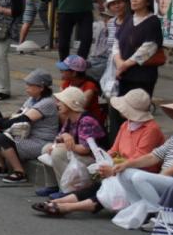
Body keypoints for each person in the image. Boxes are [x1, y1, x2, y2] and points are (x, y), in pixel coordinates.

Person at [33, 88, 164, 218]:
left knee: (103, 193)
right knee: (96, 187)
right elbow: (114, 150)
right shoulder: (126, 125)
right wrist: (106, 162)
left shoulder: (151, 129)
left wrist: (113, 168)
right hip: (121, 167)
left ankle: (67, 207)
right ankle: (59, 201)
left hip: (137, 173)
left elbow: (141, 160)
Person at [113, 94, 173, 230]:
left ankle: (157, 212)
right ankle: (138, 208)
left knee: (139, 177)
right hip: (165, 178)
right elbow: (153, 157)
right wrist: (126, 164)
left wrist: (155, 179)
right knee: (124, 173)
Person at [0, 68, 59, 183]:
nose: (26, 87)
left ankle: (20, 172)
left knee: (1, 139)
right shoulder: (32, 99)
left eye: (30, 85)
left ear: (41, 87)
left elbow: (25, 118)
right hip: (27, 136)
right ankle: (1, 166)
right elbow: (17, 114)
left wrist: (1, 124)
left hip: (41, 142)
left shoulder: (47, 102)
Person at [38, 86, 106, 195]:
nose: (57, 104)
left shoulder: (86, 120)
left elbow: (85, 149)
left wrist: (64, 145)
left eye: (61, 101)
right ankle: (52, 185)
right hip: (80, 154)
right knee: (46, 148)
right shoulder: (70, 118)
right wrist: (63, 138)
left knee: (58, 153)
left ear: (71, 104)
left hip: (94, 160)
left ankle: (66, 190)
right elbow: (59, 138)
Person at [111, 0, 165, 97]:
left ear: (148, 2)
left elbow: (147, 49)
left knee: (137, 106)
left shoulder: (153, 22)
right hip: (124, 75)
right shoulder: (128, 19)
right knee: (121, 105)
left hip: (142, 77)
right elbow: (116, 42)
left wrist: (124, 65)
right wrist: (119, 61)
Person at [56, 54, 106, 126]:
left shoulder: (89, 86)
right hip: (71, 118)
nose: (61, 72)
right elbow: (60, 104)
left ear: (74, 73)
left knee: (62, 113)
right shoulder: (66, 83)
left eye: (63, 70)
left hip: (88, 122)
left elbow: (77, 108)